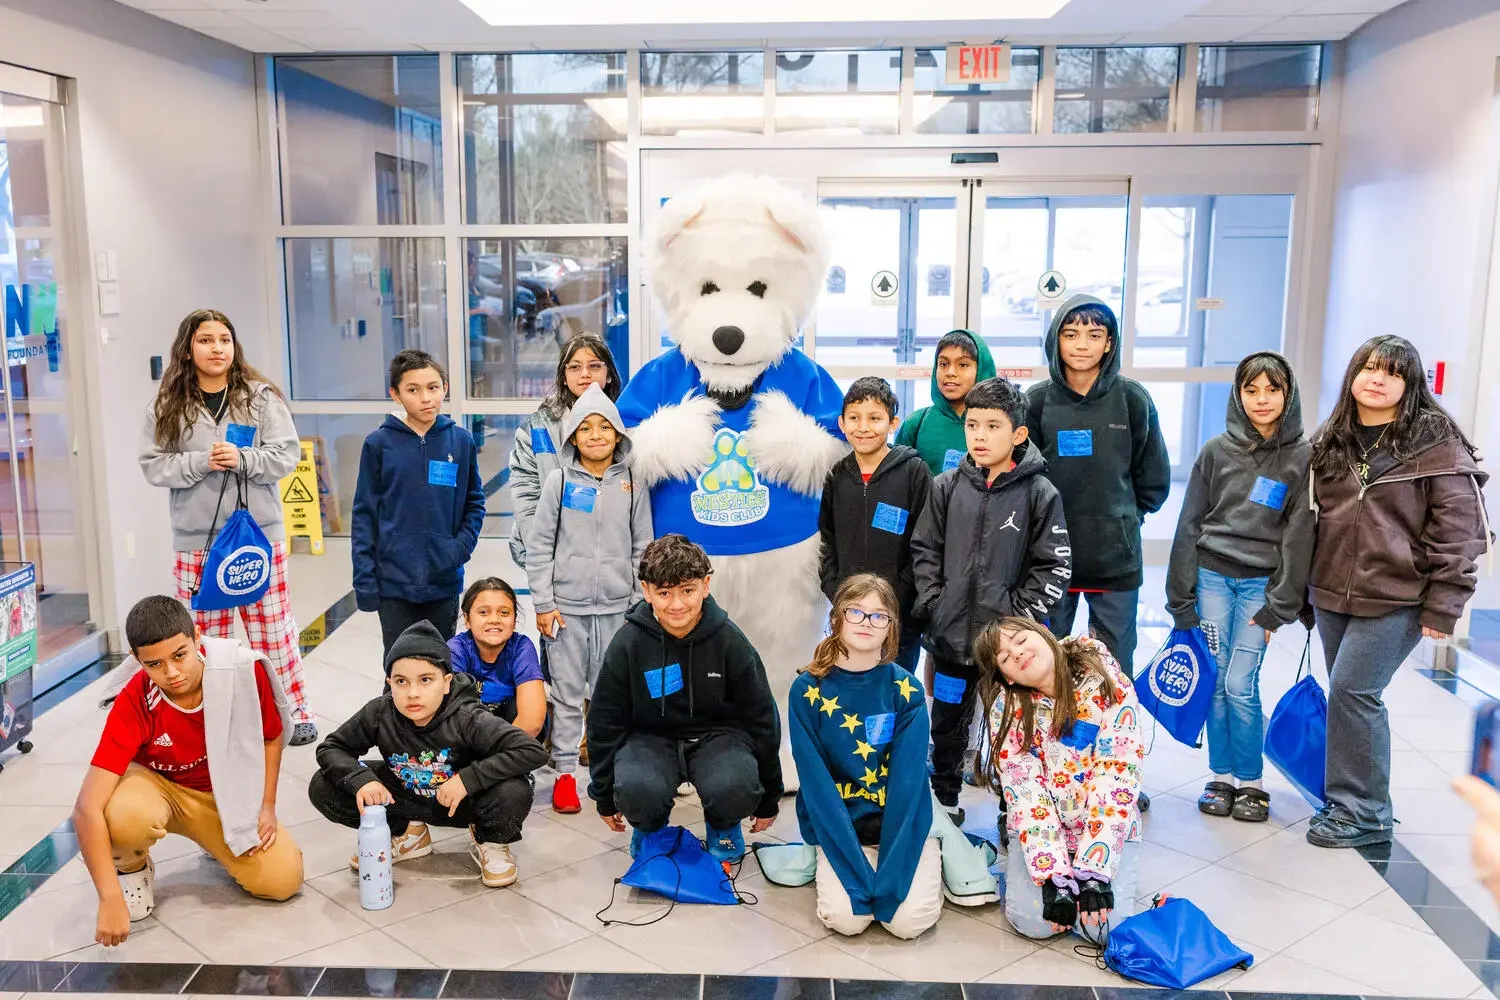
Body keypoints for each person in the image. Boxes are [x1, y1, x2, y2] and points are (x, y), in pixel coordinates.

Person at [1306, 335, 1489, 849]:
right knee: (1350, 695)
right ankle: (1355, 802)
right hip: (1332, 593)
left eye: (1392, 371)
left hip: (1398, 595)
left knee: (1353, 692)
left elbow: (1460, 530)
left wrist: (1444, 603)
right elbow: (1311, 520)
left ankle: (1362, 811)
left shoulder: (1434, 442)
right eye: (1368, 367)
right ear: (1353, 375)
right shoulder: (1333, 437)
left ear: (1410, 384)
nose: (1377, 378)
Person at [74, 596, 303, 946]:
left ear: (197, 636)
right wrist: (108, 897)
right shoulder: (135, 698)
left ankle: (218, 839)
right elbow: (86, 808)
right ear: (137, 661)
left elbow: (271, 737)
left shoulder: (242, 671)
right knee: (119, 815)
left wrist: (266, 805)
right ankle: (133, 868)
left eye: (180, 655)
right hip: (158, 788)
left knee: (282, 881)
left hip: (222, 793)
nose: (172, 673)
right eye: (154, 664)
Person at [139, 308, 316, 745]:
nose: (216, 348)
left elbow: (286, 454)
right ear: (188, 348)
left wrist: (246, 458)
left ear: (234, 347)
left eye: (224, 339)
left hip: (258, 537)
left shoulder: (260, 397)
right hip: (196, 543)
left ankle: (292, 711)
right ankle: (210, 717)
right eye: (205, 340)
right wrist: (201, 462)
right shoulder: (167, 405)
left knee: (272, 631)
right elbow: (153, 465)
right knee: (203, 638)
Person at [910, 376, 1071, 822]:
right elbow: (924, 549)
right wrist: (936, 601)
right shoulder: (945, 486)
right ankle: (944, 800)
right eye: (973, 426)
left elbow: (1053, 566)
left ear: (1018, 435)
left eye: (992, 427)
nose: (980, 436)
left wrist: (1018, 620)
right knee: (946, 722)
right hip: (950, 640)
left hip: (1008, 648)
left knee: (1011, 727)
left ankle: (1013, 807)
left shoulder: (1040, 493)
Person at [1166, 352, 1314, 823]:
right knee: (1214, 682)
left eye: (1272, 390)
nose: (1262, 400)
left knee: (1239, 683)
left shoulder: (1301, 458)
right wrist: (1180, 598)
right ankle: (1221, 777)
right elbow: (1188, 524)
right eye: (1252, 390)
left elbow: (1299, 536)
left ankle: (1251, 781)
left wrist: (1281, 605)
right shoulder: (1215, 452)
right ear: (1238, 395)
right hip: (1211, 578)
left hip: (1259, 586)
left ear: (1287, 395)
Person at [586, 534, 783, 863]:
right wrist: (604, 795)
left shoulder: (730, 641)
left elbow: (762, 718)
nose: (676, 604)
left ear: (705, 586)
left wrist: (769, 797)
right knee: (638, 789)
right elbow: (604, 722)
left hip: (719, 737)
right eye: (664, 593)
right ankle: (650, 828)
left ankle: (723, 824)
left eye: (687, 590)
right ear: (647, 591)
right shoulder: (628, 644)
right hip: (650, 737)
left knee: (733, 786)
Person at [308, 621, 547, 888]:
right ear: (389, 683)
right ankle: (406, 834)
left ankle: (491, 841)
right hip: (404, 796)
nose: (413, 693)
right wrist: (362, 780)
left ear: (446, 683)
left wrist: (468, 779)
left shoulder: (467, 717)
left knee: (514, 789)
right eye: (401, 682)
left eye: (425, 680)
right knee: (324, 785)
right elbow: (332, 747)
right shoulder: (379, 712)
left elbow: (531, 751)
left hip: (459, 803)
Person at [789, 574, 942, 940]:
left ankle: (933, 850)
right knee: (848, 919)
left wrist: (890, 878)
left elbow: (908, 784)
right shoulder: (807, 689)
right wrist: (855, 872)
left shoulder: (905, 690)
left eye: (879, 616)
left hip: (899, 819)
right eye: (855, 612)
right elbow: (816, 786)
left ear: (890, 628)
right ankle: (850, 863)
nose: (866, 623)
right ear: (837, 618)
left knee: (906, 923)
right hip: (840, 822)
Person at [1025, 295, 1171, 676]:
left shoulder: (1132, 399)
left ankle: (1111, 736)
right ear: (1056, 340)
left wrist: (1125, 518)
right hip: (1050, 557)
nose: (1082, 344)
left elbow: (1152, 476)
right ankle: (1050, 736)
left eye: (1094, 334)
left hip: (1114, 558)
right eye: (1071, 334)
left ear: (1109, 342)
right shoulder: (1036, 402)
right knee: (1045, 661)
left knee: (1113, 665)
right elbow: (1023, 479)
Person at [973, 616, 1143, 940]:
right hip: (1045, 830)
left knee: (1102, 932)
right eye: (1005, 657)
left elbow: (1117, 774)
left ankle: (1098, 872)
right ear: (1006, 678)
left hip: (1104, 821)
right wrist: (1051, 875)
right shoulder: (1006, 708)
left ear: (1045, 634)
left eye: (1021, 641)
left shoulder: (1104, 680)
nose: (1018, 654)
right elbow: (1025, 791)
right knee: (1033, 924)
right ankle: (1025, 870)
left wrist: (1095, 868)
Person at [525, 383, 652, 814]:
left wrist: (638, 603)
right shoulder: (559, 481)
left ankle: (607, 772)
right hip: (566, 610)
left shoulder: (632, 482)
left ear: (618, 434)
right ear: (572, 437)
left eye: (605, 427)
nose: (595, 435)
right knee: (564, 694)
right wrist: (544, 603)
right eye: (585, 428)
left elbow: (642, 546)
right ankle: (563, 774)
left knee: (610, 695)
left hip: (618, 609)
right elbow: (539, 545)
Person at [352, 350, 485, 655]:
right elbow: (364, 516)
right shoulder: (378, 444)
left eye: (433, 387)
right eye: (413, 390)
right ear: (395, 394)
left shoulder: (461, 441)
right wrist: (365, 580)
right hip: (394, 583)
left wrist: (457, 550)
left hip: (443, 580)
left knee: (439, 663)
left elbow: (474, 502)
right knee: (399, 663)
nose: (426, 398)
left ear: (445, 389)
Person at [819, 377, 932, 673]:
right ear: (842, 424)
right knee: (852, 690)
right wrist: (837, 591)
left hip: (899, 614)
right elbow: (826, 541)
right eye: (854, 418)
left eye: (875, 418)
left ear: (893, 423)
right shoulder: (837, 476)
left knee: (897, 690)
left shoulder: (914, 472)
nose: (864, 427)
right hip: (849, 611)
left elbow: (926, 542)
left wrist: (897, 595)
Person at [508, 333, 624, 568]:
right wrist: (542, 555)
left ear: (609, 374)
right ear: (563, 377)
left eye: (594, 366)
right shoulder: (537, 428)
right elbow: (525, 494)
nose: (585, 374)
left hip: (609, 558)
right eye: (574, 367)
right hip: (552, 556)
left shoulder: (625, 425)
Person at [448, 577, 546, 738]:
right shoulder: (456, 649)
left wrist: (500, 757)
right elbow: (449, 714)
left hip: (514, 738)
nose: (494, 620)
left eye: (504, 613)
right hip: (468, 736)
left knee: (517, 707)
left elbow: (532, 722)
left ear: (514, 621)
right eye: (483, 612)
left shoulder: (521, 647)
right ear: (467, 619)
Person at [894, 329, 997, 477]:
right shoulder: (916, 423)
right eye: (943, 364)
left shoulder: (1003, 424)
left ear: (982, 369)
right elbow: (898, 483)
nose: (950, 372)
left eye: (963, 365)